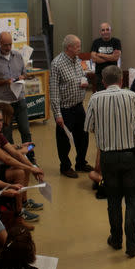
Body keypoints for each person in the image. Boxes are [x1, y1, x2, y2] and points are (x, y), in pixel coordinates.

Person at [84, 65, 135, 258]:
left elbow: (88, 126)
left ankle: (115, 239)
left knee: (113, 200)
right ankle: (132, 243)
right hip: (131, 156)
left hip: (108, 157)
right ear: (121, 81)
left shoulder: (95, 98)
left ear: (103, 82)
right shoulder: (131, 96)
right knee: (132, 200)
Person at [0, 108, 44, 217]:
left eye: (0, 120)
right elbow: (7, 158)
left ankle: (24, 201)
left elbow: (14, 153)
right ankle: (18, 211)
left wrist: (31, 167)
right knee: (20, 172)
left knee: (24, 167)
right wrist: (32, 169)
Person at [0, 31, 34, 161]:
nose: (8, 47)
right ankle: (13, 159)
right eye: (5, 45)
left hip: (19, 99)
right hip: (4, 103)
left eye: (10, 44)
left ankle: (30, 157)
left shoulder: (17, 56)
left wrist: (22, 77)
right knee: (6, 133)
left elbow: (24, 73)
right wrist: (4, 82)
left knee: (26, 130)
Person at [50, 34, 93, 178]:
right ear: (69, 47)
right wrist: (58, 115)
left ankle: (81, 163)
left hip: (79, 106)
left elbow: (82, 76)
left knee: (83, 137)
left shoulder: (77, 60)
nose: (80, 48)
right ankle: (65, 167)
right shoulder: (57, 64)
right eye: (77, 46)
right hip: (65, 109)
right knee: (64, 141)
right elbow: (54, 92)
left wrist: (84, 81)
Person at [90, 22, 121, 91]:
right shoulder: (96, 42)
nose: (105, 32)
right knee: (101, 95)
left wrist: (101, 55)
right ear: (100, 32)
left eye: (107, 29)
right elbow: (94, 59)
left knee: (113, 95)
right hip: (100, 75)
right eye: (103, 30)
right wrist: (111, 57)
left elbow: (116, 57)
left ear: (110, 31)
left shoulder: (116, 41)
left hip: (113, 74)